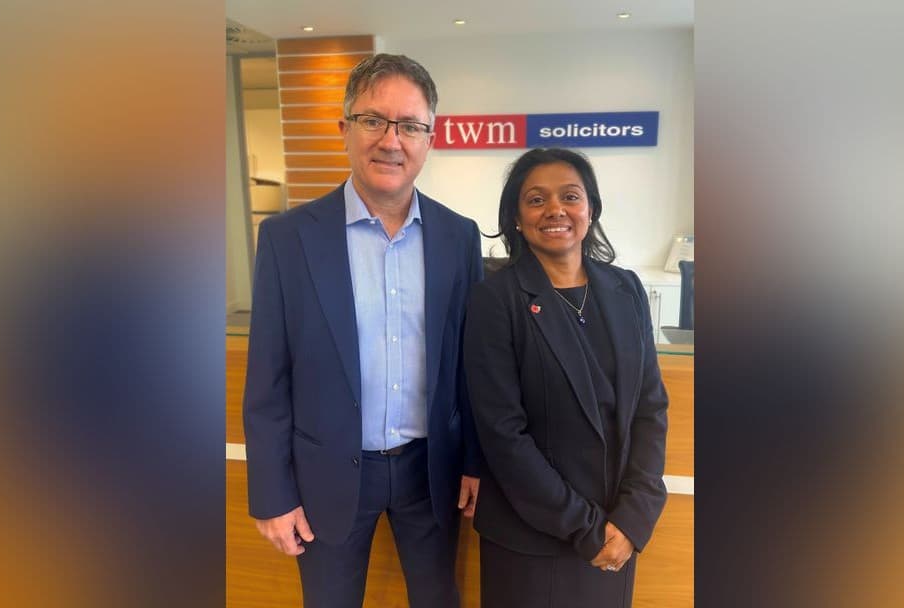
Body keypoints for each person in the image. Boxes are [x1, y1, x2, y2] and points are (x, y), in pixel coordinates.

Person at [242, 53, 483, 608]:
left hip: (432, 472)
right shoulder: (287, 239)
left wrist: (475, 461)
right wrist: (272, 494)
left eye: (411, 126)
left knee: (438, 599)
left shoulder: (459, 237)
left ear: (429, 139)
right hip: (326, 474)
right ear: (344, 128)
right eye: (373, 120)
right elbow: (268, 379)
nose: (391, 141)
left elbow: (470, 366)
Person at [464, 148, 669, 607]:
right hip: (532, 540)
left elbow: (650, 407)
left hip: (616, 532)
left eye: (570, 196)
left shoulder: (626, 289)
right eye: (536, 199)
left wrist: (633, 518)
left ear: (590, 209)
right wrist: (586, 529)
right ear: (516, 218)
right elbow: (503, 434)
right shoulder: (495, 300)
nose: (555, 209)